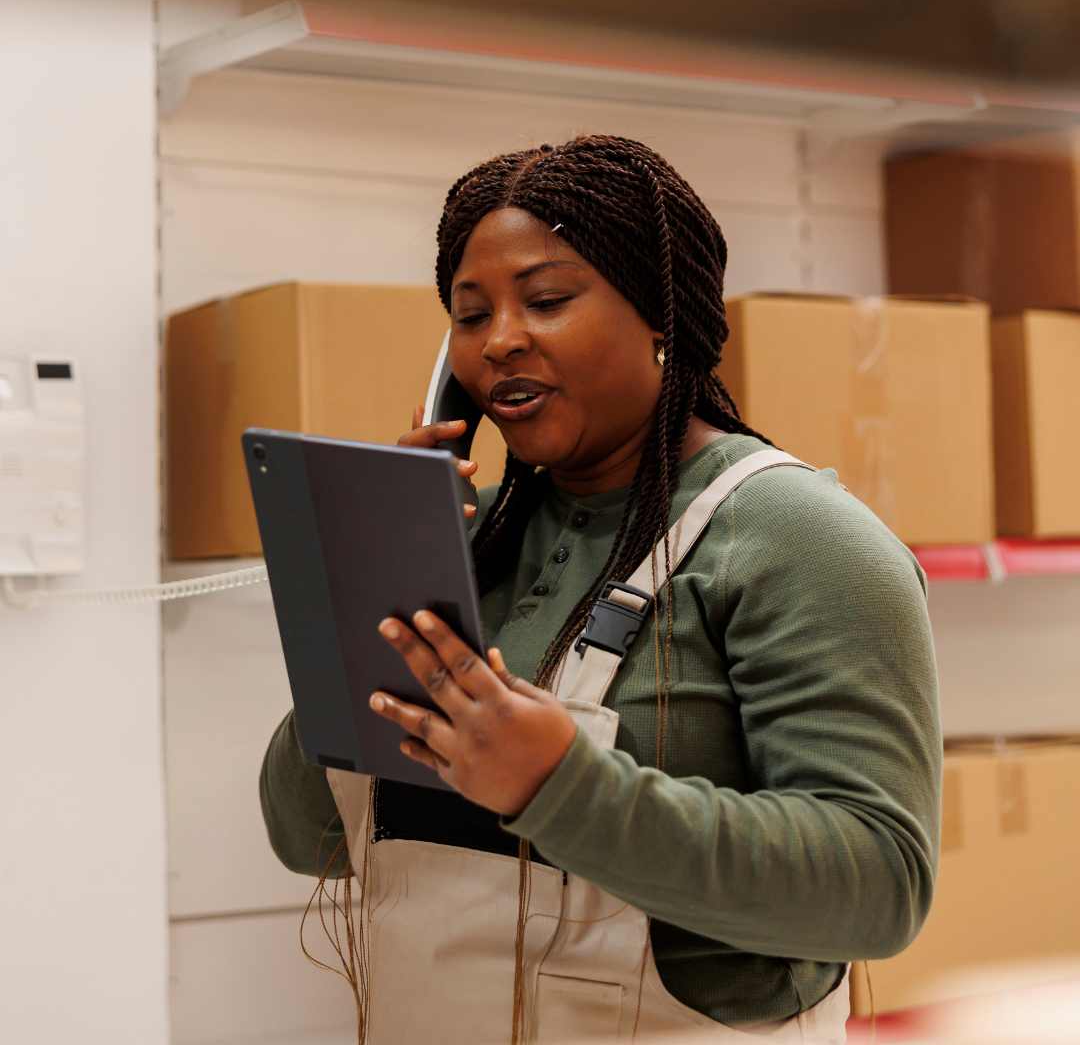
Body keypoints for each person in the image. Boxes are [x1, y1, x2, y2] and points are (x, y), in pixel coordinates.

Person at [259, 134, 941, 1044]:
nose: (499, 341)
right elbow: (307, 840)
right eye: (470, 316)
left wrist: (561, 785)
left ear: (664, 317)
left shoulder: (801, 542)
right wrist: (365, 595)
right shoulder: (472, 537)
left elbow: (879, 889)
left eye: (546, 300)